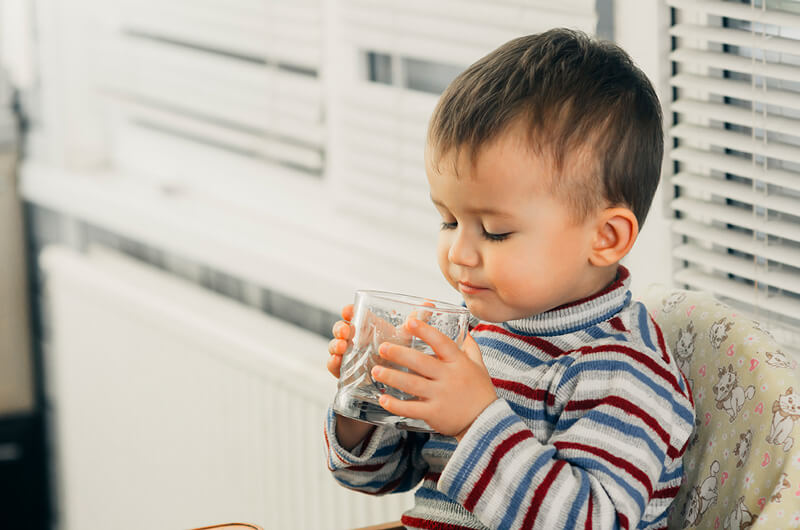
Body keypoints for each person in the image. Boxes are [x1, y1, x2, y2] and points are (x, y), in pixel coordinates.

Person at [323, 28, 695, 530]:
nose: (458, 252)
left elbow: (590, 522)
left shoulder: (624, 372)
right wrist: (365, 407)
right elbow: (381, 477)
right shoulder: (480, 331)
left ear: (605, 237)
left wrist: (476, 419)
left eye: (495, 232)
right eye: (449, 221)